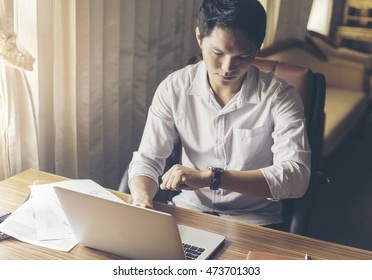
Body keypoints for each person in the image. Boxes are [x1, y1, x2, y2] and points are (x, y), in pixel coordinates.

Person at [128, 0, 311, 228]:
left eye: (242, 57)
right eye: (217, 52)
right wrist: (142, 200)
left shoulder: (280, 96)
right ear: (199, 38)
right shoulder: (174, 87)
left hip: (254, 222)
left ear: (258, 47)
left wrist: (214, 178)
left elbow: (296, 177)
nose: (227, 68)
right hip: (189, 213)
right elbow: (148, 157)